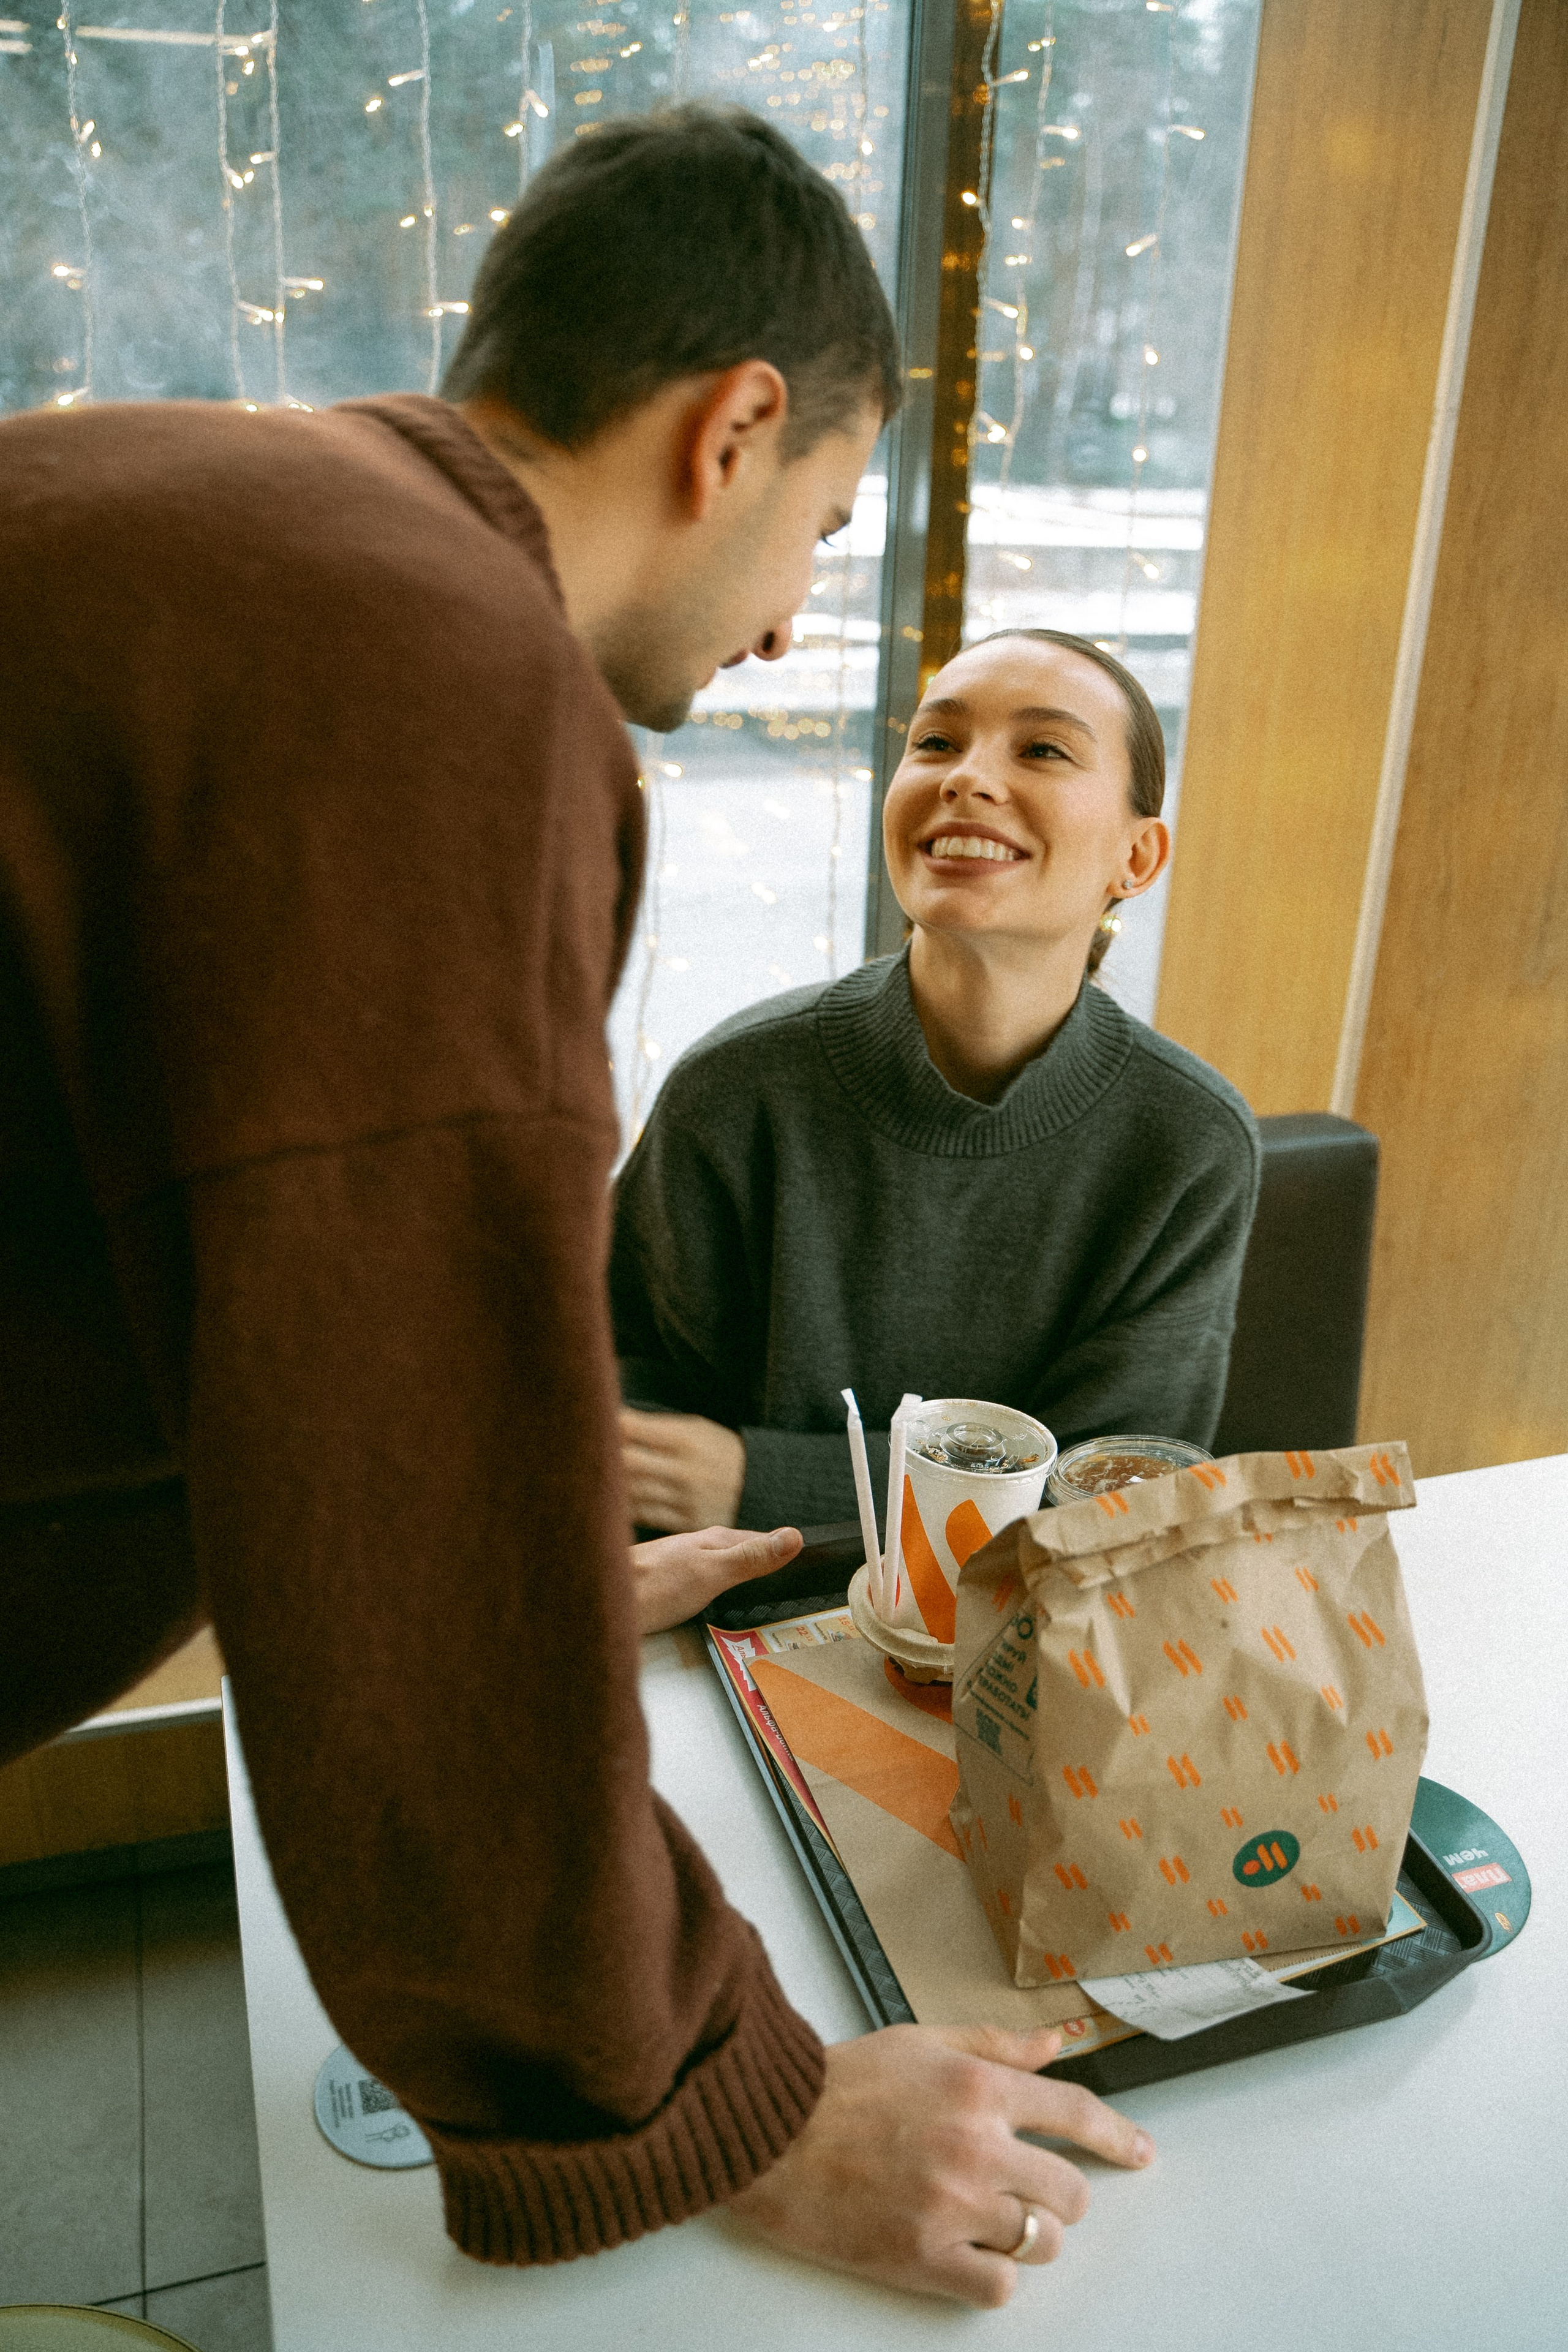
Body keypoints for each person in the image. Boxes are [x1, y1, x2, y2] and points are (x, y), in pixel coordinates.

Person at [0, 110, 1150, 2308]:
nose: (800, 620)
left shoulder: (196, 504)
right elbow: (395, 1452)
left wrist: (517, 1578)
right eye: (823, 525)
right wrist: (727, 2092)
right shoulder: (427, 662)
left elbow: (287, 1322)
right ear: (732, 430)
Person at [614, 628, 1261, 1536]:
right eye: (935, 743)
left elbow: (1109, 1498)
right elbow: (624, 1407)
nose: (967, 777)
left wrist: (768, 1483)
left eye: (1042, 749)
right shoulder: (734, 1087)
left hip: (1029, 1632)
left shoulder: (1188, 1140)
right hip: (731, 1617)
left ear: (1138, 859)